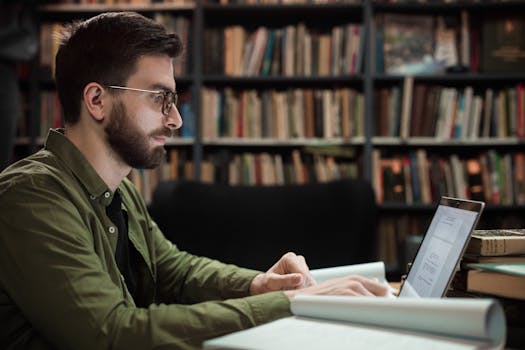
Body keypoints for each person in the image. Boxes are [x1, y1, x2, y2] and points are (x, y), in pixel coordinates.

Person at [0, 12, 388, 350]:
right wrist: (294, 304)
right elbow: (112, 334)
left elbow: (176, 271)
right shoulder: (31, 197)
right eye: (159, 99)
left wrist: (261, 285)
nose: (176, 120)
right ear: (97, 100)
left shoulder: (119, 191)